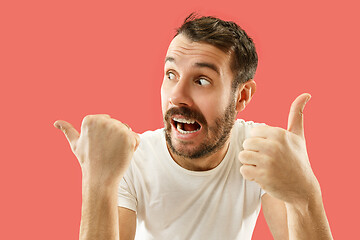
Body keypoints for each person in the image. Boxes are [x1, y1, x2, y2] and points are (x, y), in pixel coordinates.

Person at [54, 13, 333, 240]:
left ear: (242, 96)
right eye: (171, 74)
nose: (176, 95)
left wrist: (305, 194)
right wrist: (97, 181)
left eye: (201, 80)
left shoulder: (259, 152)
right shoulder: (131, 159)